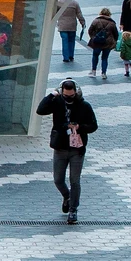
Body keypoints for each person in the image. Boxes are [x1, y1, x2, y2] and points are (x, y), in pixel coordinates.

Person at [36, 78, 97, 226]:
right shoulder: (57, 102)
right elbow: (40, 110)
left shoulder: (84, 106)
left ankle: (73, 209)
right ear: (61, 92)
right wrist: (52, 95)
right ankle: (67, 197)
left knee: (75, 181)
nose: (69, 98)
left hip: (77, 149)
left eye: (71, 95)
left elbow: (93, 126)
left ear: (76, 92)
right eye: (66, 95)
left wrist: (79, 127)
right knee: (58, 179)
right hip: (60, 147)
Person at [87, 8, 118, 79]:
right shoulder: (112, 23)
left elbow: (90, 31)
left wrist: (93, 37)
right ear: (109, 14)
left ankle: (93, 71)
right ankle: (104, 73)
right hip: (108, 43)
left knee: (95, 56)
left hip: (97, 42)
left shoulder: (96, 21)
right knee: (105, 58)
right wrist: (114, 41)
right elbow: (115, 34)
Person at [54, 0, 84, 64]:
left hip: (63, 25)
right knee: (71, 41)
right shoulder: (75, 3)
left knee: (65, 41)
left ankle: (65, 58)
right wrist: (82, 22)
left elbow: (54, 12)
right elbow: (79, 14)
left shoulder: (60, 2)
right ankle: (71, 56)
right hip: (72, 25)